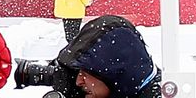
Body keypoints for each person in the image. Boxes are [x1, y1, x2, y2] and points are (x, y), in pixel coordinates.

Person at [14, 15, 161, 98]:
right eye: (78, 73)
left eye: (84, 74)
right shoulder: (125, 85)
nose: (78, 81)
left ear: (112, 74)